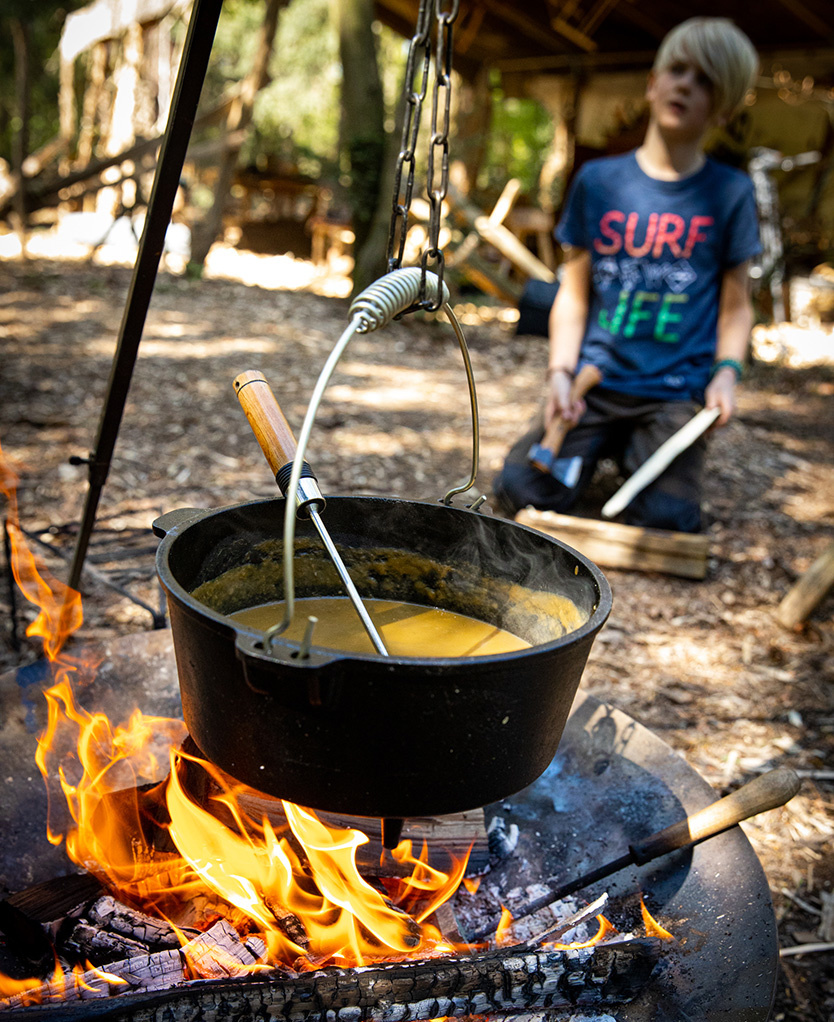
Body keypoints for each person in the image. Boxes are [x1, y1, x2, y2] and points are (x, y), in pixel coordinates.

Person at [493, 17, 761, 534]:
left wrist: (727, 371)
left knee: (667, 517)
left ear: (724, 108)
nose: (685, 83)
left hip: (674, 390)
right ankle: (598, 447)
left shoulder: (731, 193)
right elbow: (572, 296)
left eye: (705, 80)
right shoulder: (598, 181)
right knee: (521, 489)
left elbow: (736, 304)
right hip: (594, 384)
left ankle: (639, 453)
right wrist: (560, 375)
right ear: (652, 83)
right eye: (677, 70)